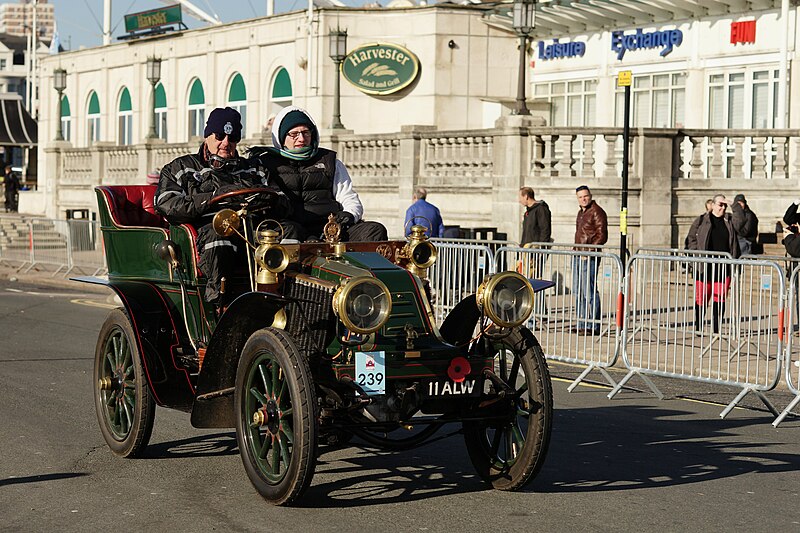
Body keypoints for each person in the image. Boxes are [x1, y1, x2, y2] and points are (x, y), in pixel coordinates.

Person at [155, 107, 288, 309]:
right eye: (219, 136)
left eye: (232, 137)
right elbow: (167, 205)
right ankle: (219, 303)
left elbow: (280, 199)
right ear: (207, 136)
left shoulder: (254, 168)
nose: (225, 143)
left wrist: (263, 198)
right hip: (207, 232)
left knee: (287, 233)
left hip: (251, 229)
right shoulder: (180, 168)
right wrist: (210, 199)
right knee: (218, 237)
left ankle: (285, 300)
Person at [253, 106, 387, 242]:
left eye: (306, 132)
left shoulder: (330, 162)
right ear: (281, 137)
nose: (301, 139)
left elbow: (349, 197)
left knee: (375, 230)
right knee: (289, 231)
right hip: (293, 230)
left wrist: (348, 215)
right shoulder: (265, 164)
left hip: (330, 229)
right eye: (294, 134)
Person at [686, 194, 740, 334]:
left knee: (720, 298)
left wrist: (732, 204)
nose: (723, 207)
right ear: (713, 205)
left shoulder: (729, 221)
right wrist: (696, 254)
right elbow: (691, 238)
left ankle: (716, 329)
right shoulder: (702, 220)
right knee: (702, 297)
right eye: (720, 204)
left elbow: (742, 223)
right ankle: (699, 326)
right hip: (705, 267)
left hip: (724, 267)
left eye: (724, 205)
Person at [573, 185, 608, 335]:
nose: (583, 199)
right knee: (578, 291)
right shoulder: (581, 212)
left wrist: (590, 250)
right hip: (577, 254)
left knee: (590, 291)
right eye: (580, 197)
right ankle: (582, 324)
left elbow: (602, 235)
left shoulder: (597, 212)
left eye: (585, 196)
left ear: (590, 195)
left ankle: (594, 325)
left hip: (589, 256)